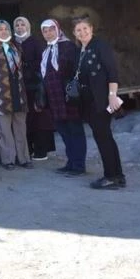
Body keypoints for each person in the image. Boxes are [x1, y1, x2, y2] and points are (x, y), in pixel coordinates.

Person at [72, 15, 126, 190]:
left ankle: (111, 176)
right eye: (78, 30)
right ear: (74, 33)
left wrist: (112, 95)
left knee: (103, 138)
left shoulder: (100, 45)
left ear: (91, 29)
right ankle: (117, 175)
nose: (82, 32)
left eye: (85, 28)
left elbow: (112, 72)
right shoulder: (80, 50)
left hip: (100, 99)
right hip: (89, 101)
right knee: (104, 137)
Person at [0, 20, 31, 170]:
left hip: (19, 95)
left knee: (21, 128)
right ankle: (8, 159)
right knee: (3, 131)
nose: (3, 32)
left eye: (6, 29)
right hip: (1, 96)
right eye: (0, 30)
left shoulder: (16, 48)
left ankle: (23, 158)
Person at [40, 19, 85, 175]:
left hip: (68, 97)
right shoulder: (46, 51)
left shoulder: (68, 46)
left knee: (75, 131)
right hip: (55, 99)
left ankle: (79, 165)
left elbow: (75, 70)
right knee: (65, 133)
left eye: (51, 29)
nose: (48, 33)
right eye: (45, 31)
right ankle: (71, 162)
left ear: (58, 29)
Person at [15, 16, 55, 161]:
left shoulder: (35, 42)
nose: (20, 27)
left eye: (23, 24)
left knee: (40, 119)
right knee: (25, 120)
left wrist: (28, 66)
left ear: (28, 26)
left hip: (36, 86)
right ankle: (29, 149)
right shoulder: (12, 44)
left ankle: (41, 150)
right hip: (21, 87)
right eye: (17, 25)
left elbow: (43, 62)